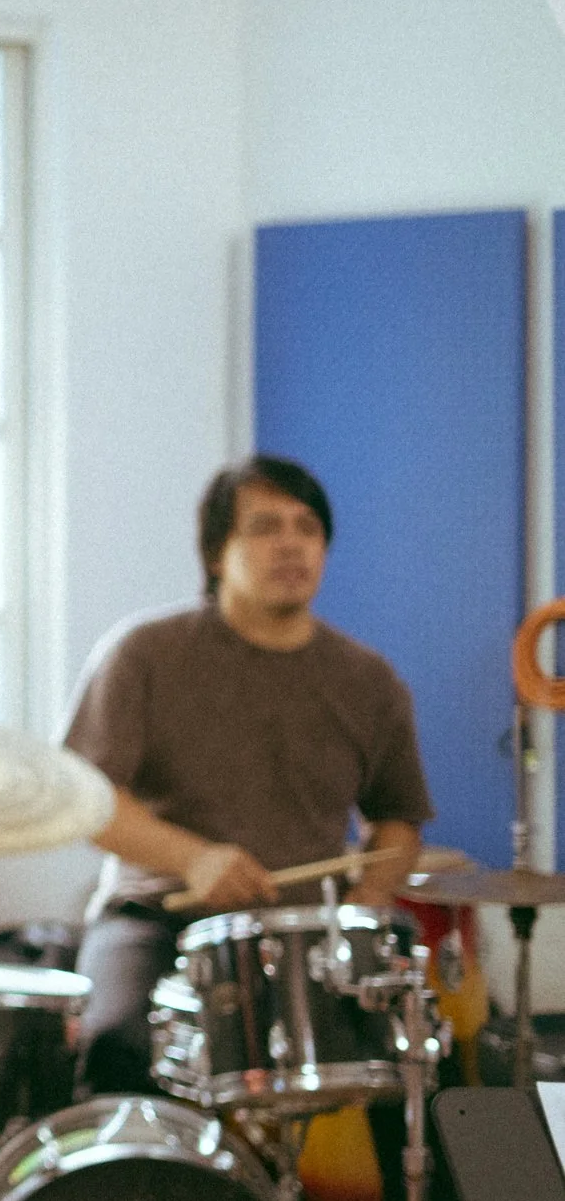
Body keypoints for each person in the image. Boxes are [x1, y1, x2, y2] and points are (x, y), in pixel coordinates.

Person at [61, 455, 434, 1096]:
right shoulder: (144, 654)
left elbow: (397, 818)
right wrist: (194, 858)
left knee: (420, 1068)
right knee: (116, 1044)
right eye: (265, 527)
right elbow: (86, 799)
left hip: (311, 937)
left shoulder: (369, 681)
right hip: (158, 919)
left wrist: (368, 902)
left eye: (307, 527)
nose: (290, 543)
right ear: (216, 554)